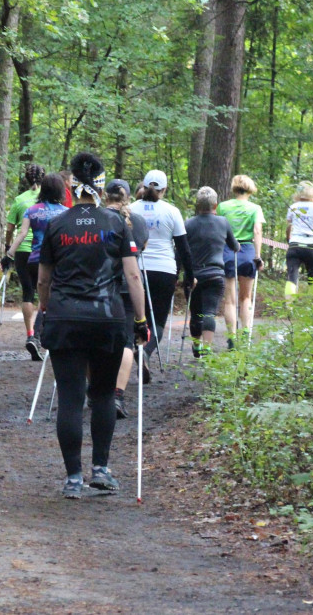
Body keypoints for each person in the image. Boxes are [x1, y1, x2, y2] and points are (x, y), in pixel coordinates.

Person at [37, 152, 148, 499]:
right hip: (107, 319)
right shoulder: (117, 224)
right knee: (102, 395)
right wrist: (141, 320)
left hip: (65, 317)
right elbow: (132, 275)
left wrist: (45, 309)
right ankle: (101, 469)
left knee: (70, 398)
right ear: (100, 185)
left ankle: (73, 478)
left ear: (71, 184)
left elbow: (43, 279)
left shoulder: (56, 223)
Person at [131, 170, 194, 381]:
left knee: (135, 315)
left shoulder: (130, 210)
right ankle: (146, 352)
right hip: (164, 270)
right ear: (164, 189)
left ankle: (132, 348)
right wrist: (189, 276)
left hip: (135, 269)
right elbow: (184, 248)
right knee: (157, 318)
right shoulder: (172, 211)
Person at [5, 173, 68, 360]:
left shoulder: (31, 210)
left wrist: (9, 254)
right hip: (56, 261)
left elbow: (22, 233)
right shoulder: (65, 212)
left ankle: (35, 335)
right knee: (50, 300)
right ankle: (41, 336)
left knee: (37, 296)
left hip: (33, 260)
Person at [103, 178, 148, 418]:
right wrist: (142, 319)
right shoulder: (139, 222)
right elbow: (143, 249)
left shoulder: (99, 218)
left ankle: (98, 389)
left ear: (104, 195)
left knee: (99, 340)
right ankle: (117, 395)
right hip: (128, 289)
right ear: (128, 196)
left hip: (103, 287)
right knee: (126, 342)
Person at [185, 187, 239, 357]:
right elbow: (234, 246)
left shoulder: (188, 224)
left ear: (197, 205)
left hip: (193, 276)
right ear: (215, 205)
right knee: (209, 312)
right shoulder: (223, 222)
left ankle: (196, 345)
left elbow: (182, 250)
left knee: (195, 313)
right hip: (215, 274)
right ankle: (207, 347)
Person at [218, 174, 265, 349]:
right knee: (246, 298)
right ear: (250, 188)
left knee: (229, 300)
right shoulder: (255, 208)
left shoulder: (223, 206)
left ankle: (232, 337)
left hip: (228, 251)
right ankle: (246, 334)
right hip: (247, 251)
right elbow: (257, 231)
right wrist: (258, 256)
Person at [2, 164, 44, 356]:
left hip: (22, 250)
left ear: (26, 179)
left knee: (28, 292)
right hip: (43, 251)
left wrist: (7, 247)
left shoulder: (20, 200)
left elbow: (10, 229)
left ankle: (30, 333)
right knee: (45, 291)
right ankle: (41, 332)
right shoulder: (49, 199)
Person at [285, 181, 313, 299]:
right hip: (312, 246)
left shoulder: (293, 206)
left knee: (292, 276)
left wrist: (289, 239)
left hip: (295, 245)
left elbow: (288, 226)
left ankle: (289, 307)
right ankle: (312, 307)